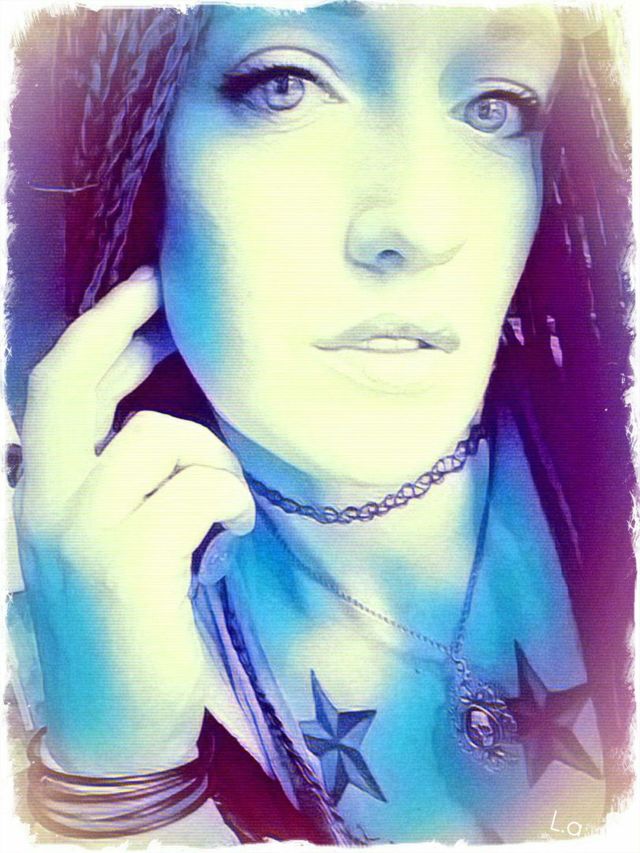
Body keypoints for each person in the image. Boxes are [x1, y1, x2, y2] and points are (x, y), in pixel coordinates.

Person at [5, 1, 635, 846]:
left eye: (495, 106)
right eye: (287, 85)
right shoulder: (48, 651)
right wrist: (112, 771)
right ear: (135, 142)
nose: (420, 226)